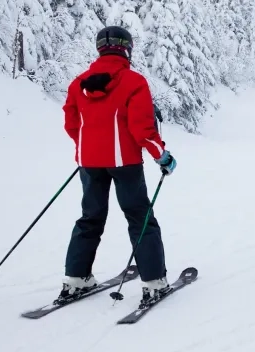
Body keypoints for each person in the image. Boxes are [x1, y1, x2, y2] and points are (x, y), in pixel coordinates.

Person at [58, 26, 177, 306]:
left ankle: (75, 279)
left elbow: (72, 124)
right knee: (140, 218)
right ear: (127, 49)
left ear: (100, 48)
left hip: (89, 164)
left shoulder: (78, 84)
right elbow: (143, 130)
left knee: (90, 218)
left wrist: (91, 149)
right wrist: (162, 156)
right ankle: (154, 282)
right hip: (126, 163)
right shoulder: (134, 82)